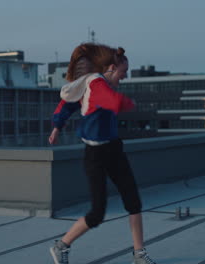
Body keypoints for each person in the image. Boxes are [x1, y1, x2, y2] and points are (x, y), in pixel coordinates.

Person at [48, 43, 156, 264]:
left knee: (133, 202)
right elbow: (111, 101)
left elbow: (66, 106)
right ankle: (61, 246)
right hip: (95, 155)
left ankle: (139, 255)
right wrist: (127, 103)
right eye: (123, 73)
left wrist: (57, 127)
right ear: (111, 68)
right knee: (97, 214)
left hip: (114, 148)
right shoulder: (97, 85)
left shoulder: (97, 84)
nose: (124, 78)